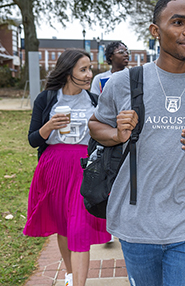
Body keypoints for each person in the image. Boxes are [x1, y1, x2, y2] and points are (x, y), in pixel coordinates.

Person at [88, 0, 185, 286]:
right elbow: (95, 126)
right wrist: (117, 134)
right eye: (178, 22)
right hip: (136, 221)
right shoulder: (123, 83)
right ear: (155, 31)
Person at [24, 49, 111, 286]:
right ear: (67, 71)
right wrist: (49, 126)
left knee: (80, 226)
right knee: (63, 225)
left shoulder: (95, 100)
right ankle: (71, 275)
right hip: (54, 167)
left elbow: (104, 135)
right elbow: (33, 140)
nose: (88, 74)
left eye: (90, 69)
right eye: (83, 69)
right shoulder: (47, 99)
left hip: (85, 168)